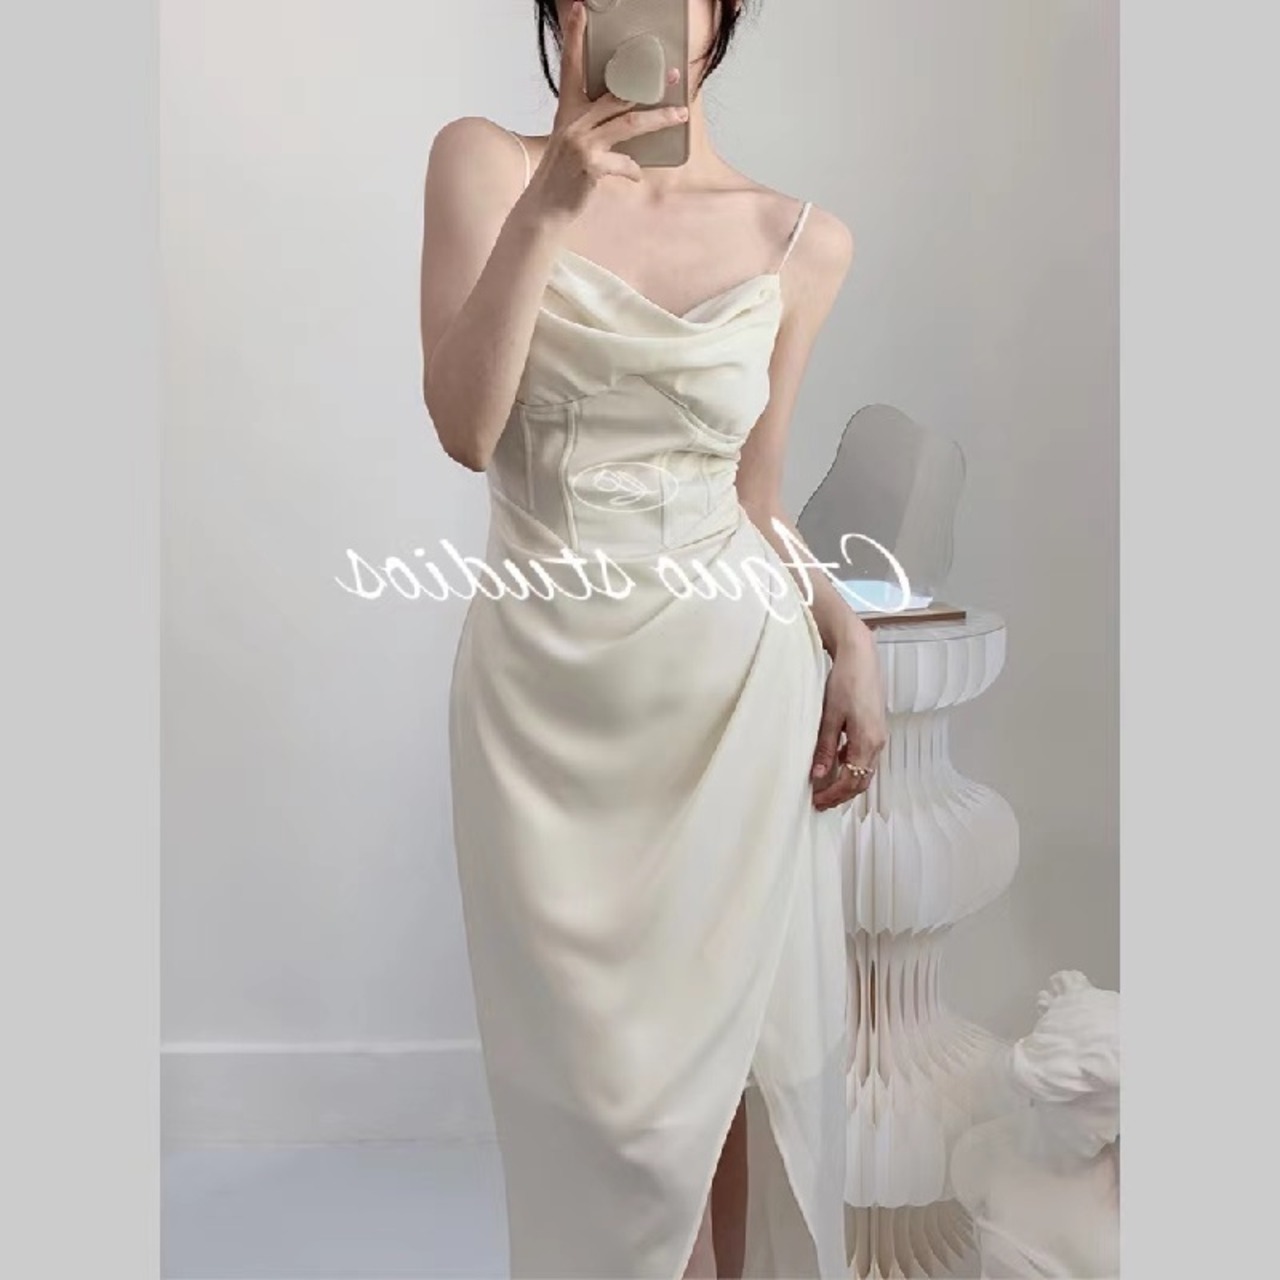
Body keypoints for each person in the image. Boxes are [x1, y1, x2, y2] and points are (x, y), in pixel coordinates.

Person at [419, 2, 887, 1275]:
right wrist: (550, 206)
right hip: (541, 702)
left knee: (716, 1073)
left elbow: (753, 497)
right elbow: (465, 427)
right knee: (593, 1103)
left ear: (720, 9)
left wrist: (846, 633)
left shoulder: (800, 239)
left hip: (727, 692)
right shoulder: (484, 165)